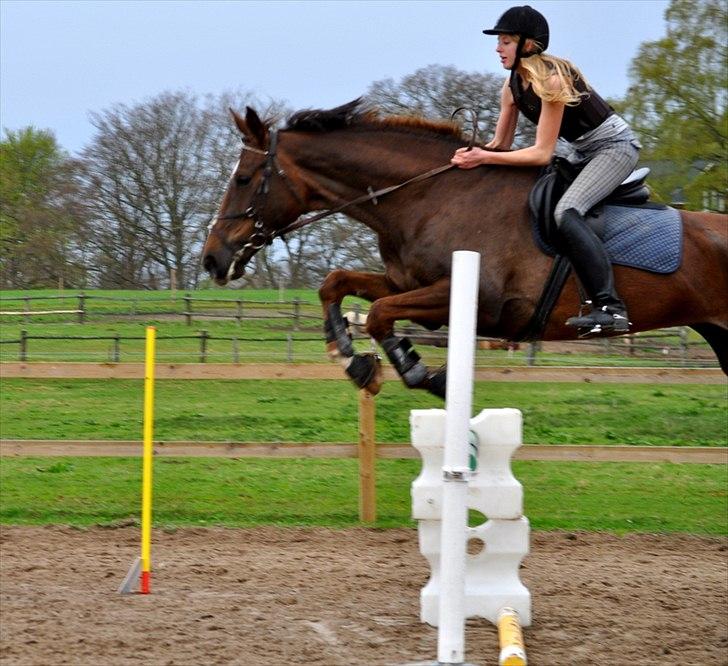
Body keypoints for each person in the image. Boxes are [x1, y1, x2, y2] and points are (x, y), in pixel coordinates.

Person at [451, 5, 641, 336]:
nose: (497, 49)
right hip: (583, 152)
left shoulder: (552, 80)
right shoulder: (511, 87)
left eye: (505, 41)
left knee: (568, 211)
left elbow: (541, 154)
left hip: (615, 148)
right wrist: (468, 157)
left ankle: (611, 307)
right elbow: (500, 145)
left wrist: (483, 157)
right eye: (500, 42)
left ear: (527, 44)